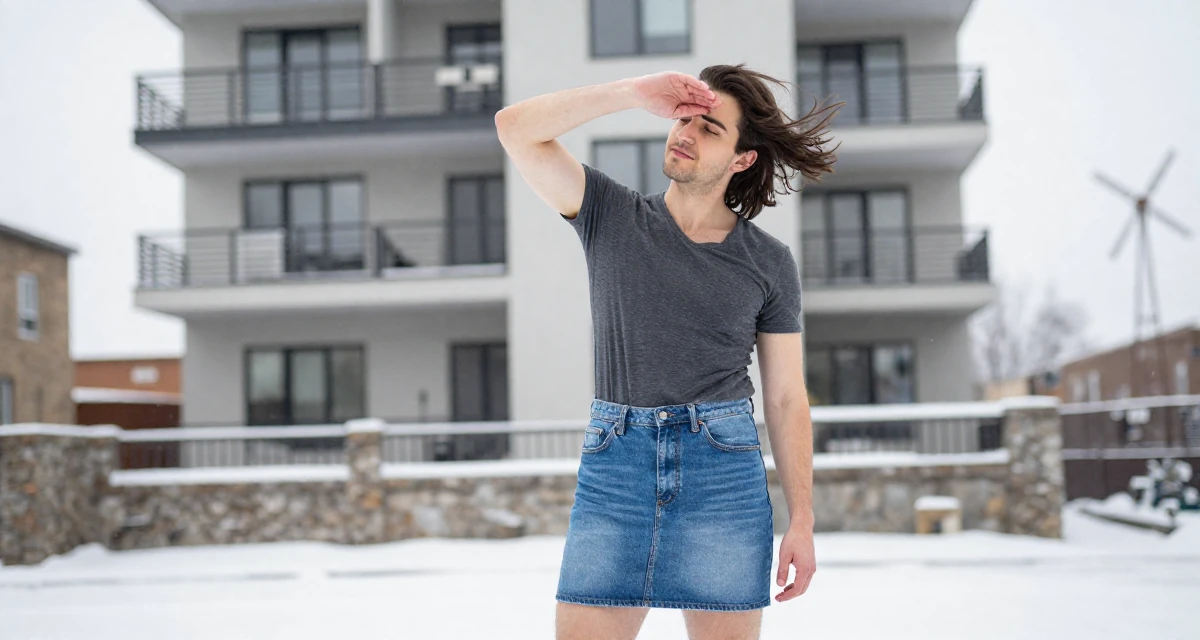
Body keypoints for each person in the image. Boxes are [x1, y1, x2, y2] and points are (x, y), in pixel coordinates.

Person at [495, 64, 839, 640]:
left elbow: (785, 397)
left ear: (742, 159)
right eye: (684, 120)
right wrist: (633, 93)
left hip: (722, 478)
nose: (685, 133)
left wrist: (802, 519)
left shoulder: (769, 262)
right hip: (616, 470)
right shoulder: (611, 216)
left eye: (709, 128)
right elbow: (515, 129)